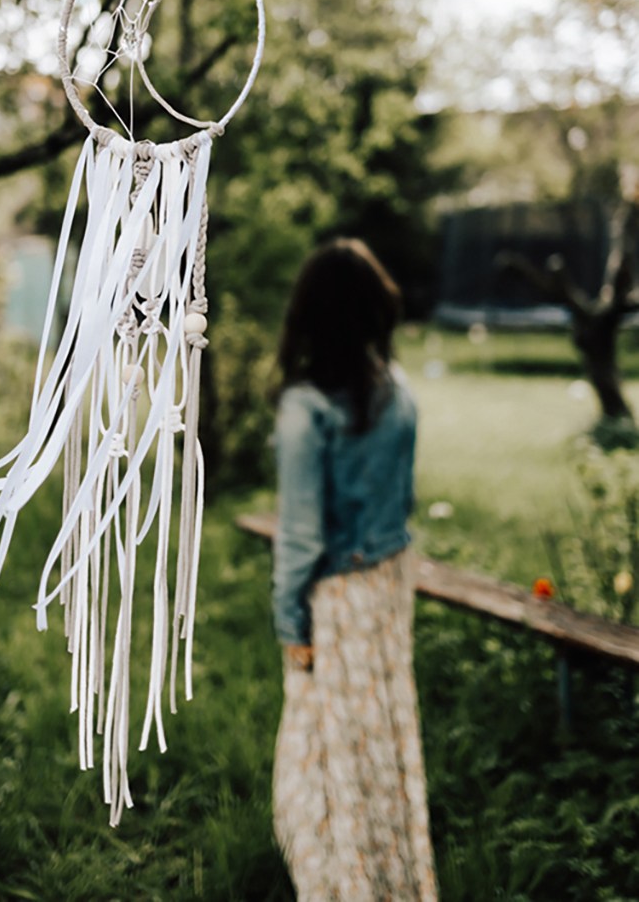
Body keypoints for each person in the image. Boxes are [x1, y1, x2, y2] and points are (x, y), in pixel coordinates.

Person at [272, 237, 438, 901]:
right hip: (391, 585)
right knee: (382, 744)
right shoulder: (399, 394)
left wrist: (290, 624)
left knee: (319, 759)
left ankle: (342, 884)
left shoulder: (305, 410)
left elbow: (301, 537)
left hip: (337, 598)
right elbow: (403, 498)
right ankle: (393, 876)